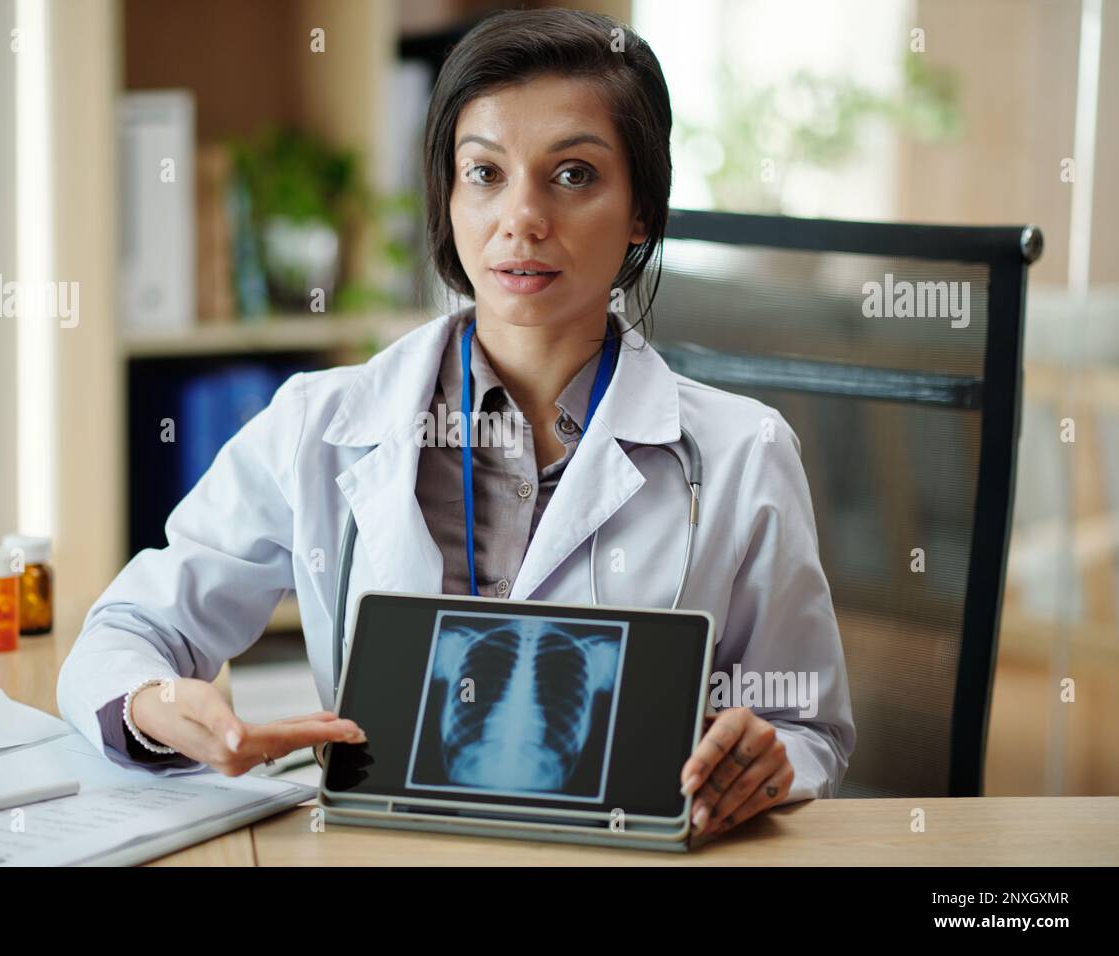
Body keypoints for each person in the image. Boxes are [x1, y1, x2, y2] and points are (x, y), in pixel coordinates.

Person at [57, 7, 854, 842]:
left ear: (642, 212)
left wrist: (770, 759)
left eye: (574, 175)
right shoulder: (319, 425)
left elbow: (810, 727)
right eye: (485, 173)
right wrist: (155, 705)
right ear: (447, 193)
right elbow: (129, 631)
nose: (523, 218)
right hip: (386, 853)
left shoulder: (741, 452)